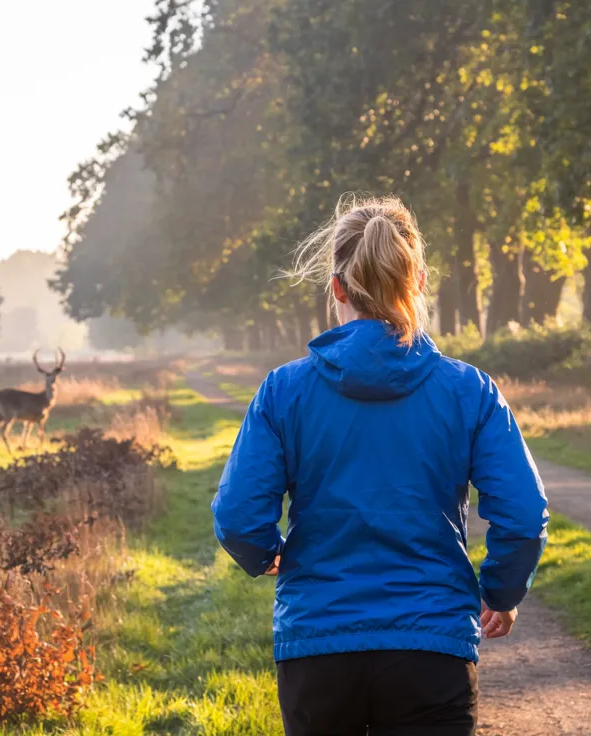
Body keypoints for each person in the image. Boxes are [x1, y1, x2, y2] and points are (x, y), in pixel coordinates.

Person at [211, 195, 549, 735]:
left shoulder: (283, 391)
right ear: (416, 283)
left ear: (337, 289)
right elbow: (524, 515)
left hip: (317, 645)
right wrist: (501, 593)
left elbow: (236, 515)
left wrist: (265, 555)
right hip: (431, 649)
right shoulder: (470, 391)